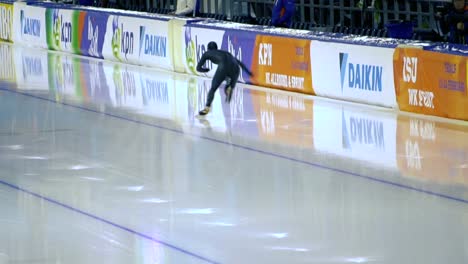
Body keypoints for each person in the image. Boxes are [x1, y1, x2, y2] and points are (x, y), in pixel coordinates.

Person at [196, 41, 253, 116]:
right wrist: (249, 73)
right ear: (216, 48)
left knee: (213, 89)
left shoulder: (207, 53)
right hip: (236, 68)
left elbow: (198, 68)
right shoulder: (226, 53)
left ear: (208, 49)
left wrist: (205, 70)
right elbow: (240, 63)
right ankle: (229, 86)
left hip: (223, 66)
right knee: (229, 80)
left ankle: (207, 107)